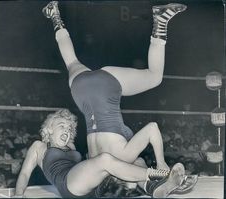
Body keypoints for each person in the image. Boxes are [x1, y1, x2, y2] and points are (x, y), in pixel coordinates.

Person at [42, 1, 191, 195]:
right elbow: (127, 172)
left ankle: (160, 21)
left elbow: (152, 128)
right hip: (81, 89)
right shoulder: (94, 162)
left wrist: (162, 165)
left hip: (106, 86)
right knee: (71, 60)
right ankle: (55, 16)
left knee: (155, 77)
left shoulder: (120, 157)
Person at [14, 109, 185, 198]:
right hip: (69, 186)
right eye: (61, 126)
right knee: (104, 159)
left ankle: (157, 189)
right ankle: (160, 175)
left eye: (69, 127)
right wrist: (18, 195)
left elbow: (86, 168)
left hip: (92, 189)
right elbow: (24, 174)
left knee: (137, 160)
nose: (67, 129)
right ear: (49, 129)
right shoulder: (39, 146)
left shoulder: (72, 146)